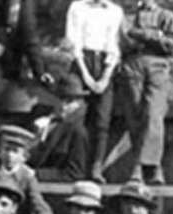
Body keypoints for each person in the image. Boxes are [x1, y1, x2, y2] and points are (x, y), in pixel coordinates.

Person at [120, 0, 173, 184]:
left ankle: (141, 166)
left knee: (153, 114)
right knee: (135, 116)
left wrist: (144, 34)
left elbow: (171, 45)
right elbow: (125, 40)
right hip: (132, 65)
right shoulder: (127, 17)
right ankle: (153, 168)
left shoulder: (167, 16)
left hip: (158, 65)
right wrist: (156, 36)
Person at [64, 0, 123, 181]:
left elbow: (114, 45)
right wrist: (86, 76)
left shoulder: (115, 11)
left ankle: (97, 168)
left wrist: (105, 76)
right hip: (81, 62)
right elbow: (73, 42)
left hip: (104, 63)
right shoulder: (77, 7)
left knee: (102, 120)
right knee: (77, 116)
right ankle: (76, 167)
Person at [28, 73, 91, 182]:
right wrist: (38, 136)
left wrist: (36, 174)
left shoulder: (78, 132)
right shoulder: (47, 123)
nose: (63, 105)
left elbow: (75, 173)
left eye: (70, 101)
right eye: (61, 99)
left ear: (80, 103)